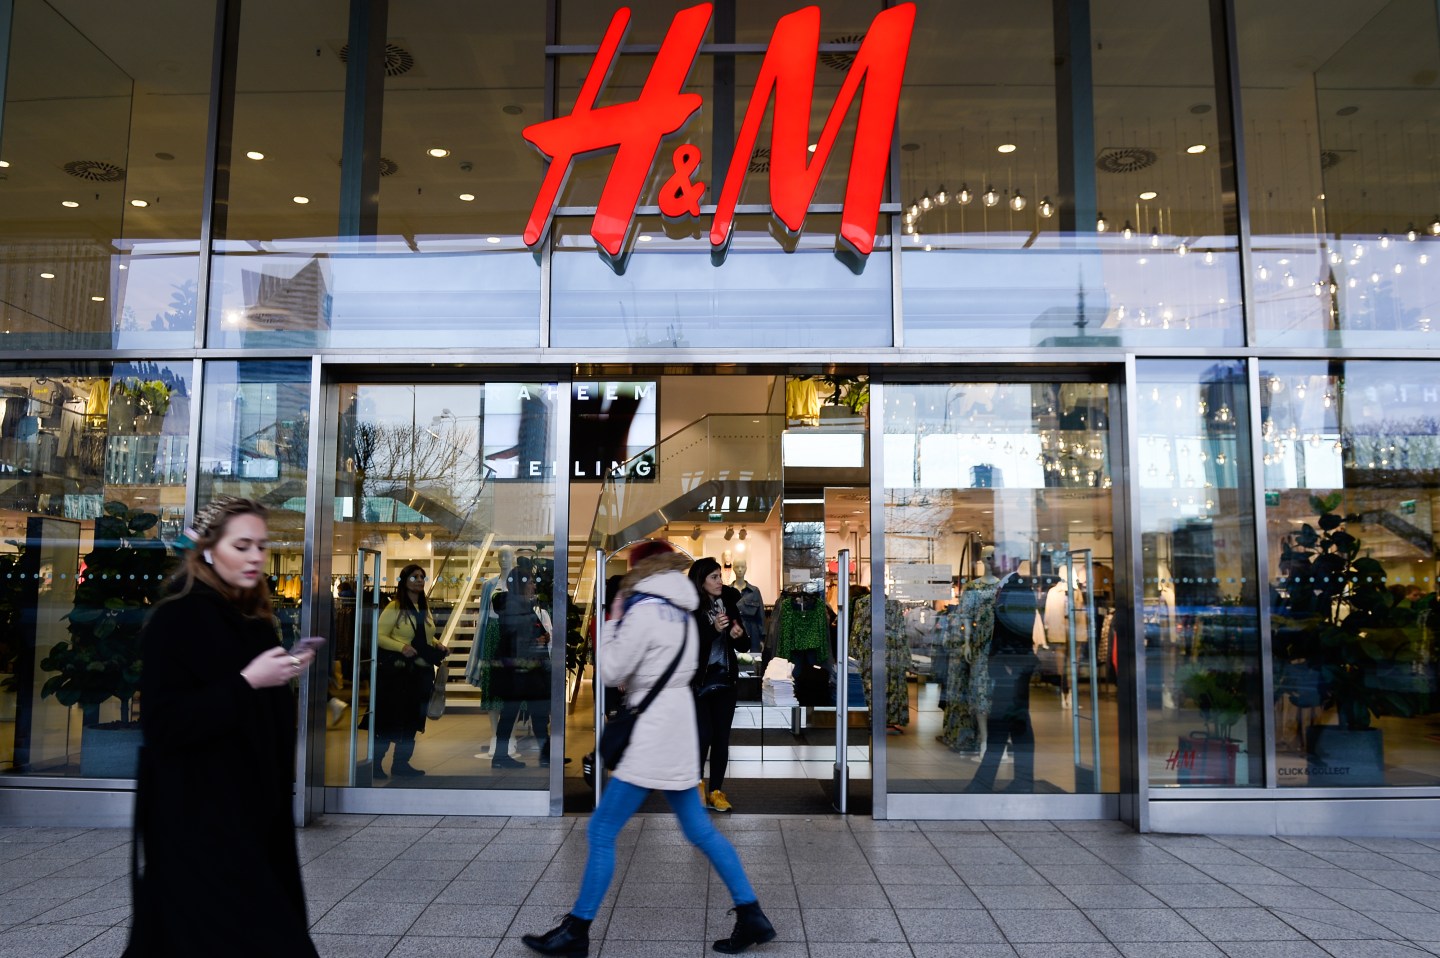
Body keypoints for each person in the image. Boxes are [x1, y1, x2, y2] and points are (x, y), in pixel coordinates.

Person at [522, 540, 777, 957]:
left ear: (642, 570)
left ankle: (577, 931)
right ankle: (752, 915)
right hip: (678, 725)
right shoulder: (682, 610)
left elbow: (611, 670)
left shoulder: (641, 610)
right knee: (698, 830)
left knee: (602, 830)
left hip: (652, 731)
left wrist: (613, 619)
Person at [124, 497, 319, 958]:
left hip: (249, 814)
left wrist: (284, 666)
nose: (255, 557)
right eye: (243, 545)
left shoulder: (248, 615)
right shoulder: (179, 618)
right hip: (201, 822)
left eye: (262, 547)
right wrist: (250, 680)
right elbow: (165, 722)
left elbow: (245, 693)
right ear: (208, 550)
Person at [373, 563, 448, 778]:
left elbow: (425, 635)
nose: (419, 580)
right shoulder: (395, 607)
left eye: (422, 577)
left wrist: (437, 644)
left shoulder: (423, 607)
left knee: (413, 718)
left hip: (421, 672)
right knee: (392, 717)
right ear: (404, 581)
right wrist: (401, 647)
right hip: (398, 672)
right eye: (414, 577)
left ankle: (401, 763)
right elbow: (379, 636)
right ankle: (377, 763)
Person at [687, 556, 748, 812]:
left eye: (719, 576)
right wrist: (713, 629)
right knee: (703, 735)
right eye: (713, 577)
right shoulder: (690, 608)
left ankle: (716, 791)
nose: (719, 581)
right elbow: (691, 644)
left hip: (725, 680)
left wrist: (737, 635)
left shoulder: (729, 604)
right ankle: (697, 786)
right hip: (699, 682)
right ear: (701, 582)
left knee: (722, 737)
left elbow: (744, 645)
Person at [492, 561, 553, 769]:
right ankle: (501, 757)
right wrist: (537, 641)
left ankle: (545, 756)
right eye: (530, 583)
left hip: (524, 672)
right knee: (518, 714)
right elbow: (514, 638)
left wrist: (540, 636)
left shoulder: (520, 605)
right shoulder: (513, 606)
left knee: (534, 714)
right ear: (521, 585)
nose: (534, 587)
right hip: (520, 672)